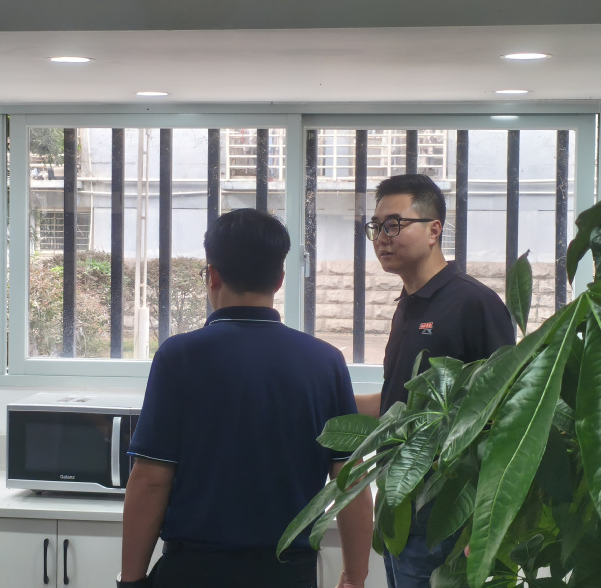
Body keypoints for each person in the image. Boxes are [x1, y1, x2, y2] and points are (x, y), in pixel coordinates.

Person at [119, 208, 373, 588]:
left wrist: (132, 581)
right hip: (289, 573)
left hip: (195, 571)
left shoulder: (180, 357)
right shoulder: (325, 362)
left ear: (212, 275)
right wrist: (354, 578)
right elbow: (351, 482)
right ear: (280, 279)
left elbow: (151, 480)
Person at [356, 174, 515, 587]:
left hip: (446, 503)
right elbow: (402, 404)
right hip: (399, 494)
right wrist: (326, 396)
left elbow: (505, 414)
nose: (382, 238)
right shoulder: (408, 304)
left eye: (394, 224)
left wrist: (485, 518)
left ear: (434, 230)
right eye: (376, 226)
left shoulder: (473, 303)